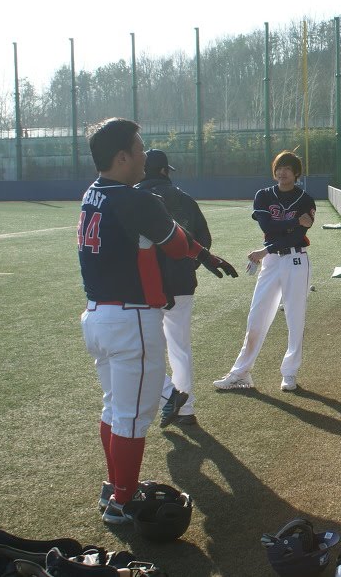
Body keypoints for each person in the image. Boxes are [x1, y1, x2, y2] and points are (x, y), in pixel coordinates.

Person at [78, 118, 237, 524]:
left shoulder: (92, 193)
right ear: (122, 156)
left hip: (97, 315)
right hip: (130, 319)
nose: (146, 154)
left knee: (115, 409)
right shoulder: (136, 200)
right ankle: (122, 502)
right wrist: (205, 255)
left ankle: (115, 487)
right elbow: (176, 241)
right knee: (132, 417)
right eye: (140, 146)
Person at [214, 151, 316, 393]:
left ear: (296, 173)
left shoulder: (306, 199)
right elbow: (268, 226)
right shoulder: (263, 196)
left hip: (296, 259)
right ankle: (241, 373)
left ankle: (289, 373)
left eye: (288, 169)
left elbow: (298, 236)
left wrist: (265, 248)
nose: (283, 172)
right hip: (271, 261)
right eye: (279, 167)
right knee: (256, 316)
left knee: (295, 317)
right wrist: (291, 224)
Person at [135, 149, 211, 428]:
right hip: (181, 283)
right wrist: (188, 268)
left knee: (142, 351)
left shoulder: (133, 198)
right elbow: (204, 239)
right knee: (179, 347)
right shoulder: (184, 199)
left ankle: (167, 398)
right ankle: (186, 408)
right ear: (165, 171)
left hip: (144, 288)